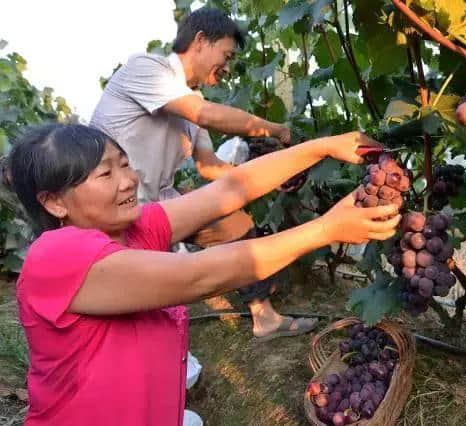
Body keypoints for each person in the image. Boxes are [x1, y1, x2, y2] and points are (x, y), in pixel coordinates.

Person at [10, 123, 400, 425]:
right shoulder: (56, 256)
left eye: (124, 163)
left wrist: (322, 147)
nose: (128, 180)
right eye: (105, 175)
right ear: (55, 202)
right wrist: (325, 229)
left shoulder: (132, 228)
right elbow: (200, 275)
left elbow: (228, 189)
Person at [90, 7, 317, 340]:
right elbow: (205, 114)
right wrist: (276, 130)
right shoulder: (148, 69)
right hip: (112, 205)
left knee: (235, 224)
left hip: (157, 202)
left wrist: (269, 176)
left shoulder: (192, 101)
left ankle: (264, 318)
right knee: (138, 304)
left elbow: (209, 165)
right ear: (199, 41)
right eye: (225, 55)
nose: (227, 67)